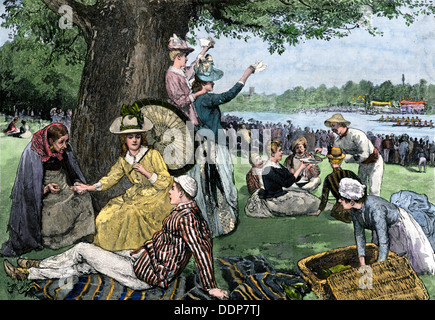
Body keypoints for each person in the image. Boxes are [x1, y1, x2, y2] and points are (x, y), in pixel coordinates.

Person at [3, 175, 229, 299]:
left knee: (83, 250)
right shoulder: (185, 212)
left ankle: (32, 270)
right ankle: (32, 270)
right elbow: (165, 242)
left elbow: (201, 251)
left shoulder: (188, 219)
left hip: (144, 275)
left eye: (172, 189)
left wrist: (211, 288)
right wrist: (140, 251)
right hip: (142, 261)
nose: (169, 192)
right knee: (86, 266)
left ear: (182, 193)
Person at [72, 104, 173, 251]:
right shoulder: (124, 159)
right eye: (130, 137)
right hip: (136, 195)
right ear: (124, 139)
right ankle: (110, 252)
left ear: (142, 138)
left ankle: (136, 252)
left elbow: (165, 181)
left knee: (132, 214)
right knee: (105, 216)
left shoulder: (152, 155)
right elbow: (111, 178)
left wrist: (146, 172)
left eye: (137, 136)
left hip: (157, 196)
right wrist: (90, 187)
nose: (134, 140)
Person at [188, 55, 265, 236]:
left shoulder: (196, 100)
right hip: (213, 146)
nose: (213, 83)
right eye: (211, 81)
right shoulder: (205, 99)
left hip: (202, 145)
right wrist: (247, 74)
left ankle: (208, 223)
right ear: (203, 83)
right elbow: (229, 95)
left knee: (208, 183)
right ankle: (218, 224)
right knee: (221, 181)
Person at [1, 123, 95, 257]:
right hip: (45, 195)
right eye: (61, 142)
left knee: (84, 199)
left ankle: (82, 235)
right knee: (53, 213)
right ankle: (52, 240)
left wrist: (77, 183)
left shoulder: (65, 150)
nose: (65, 145)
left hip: (64, 188)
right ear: (50, 141)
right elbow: (29, 188)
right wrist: (46, 188)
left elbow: (72, 171)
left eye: (66, 141)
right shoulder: (33, 153)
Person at [338, 178, 435, 275]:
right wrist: (362, 263)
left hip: (397, 225)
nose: (339, 201)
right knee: (380, 252)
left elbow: (384, 240)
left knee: (402, 258)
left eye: (342, 199)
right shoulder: (355, 211)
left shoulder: (376, 209)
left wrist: (379, 267)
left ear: (351, 202)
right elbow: (359, 236)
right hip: (379, 227)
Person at [245, 140, 321, 218]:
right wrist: (300, 168)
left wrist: (304, 168)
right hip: (276, 201)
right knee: (310, 203)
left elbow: (289, 177)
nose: (282, 152)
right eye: (280, 150)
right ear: (272, 154)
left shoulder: (277, 165)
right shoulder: (268, 169)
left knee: (310, 198)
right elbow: (287, 184)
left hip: (283, 195)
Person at [316, 113, 384, 196]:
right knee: (360, 188)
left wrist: (345, 157)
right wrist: (322, 151)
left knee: (374, 190)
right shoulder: (337, 141)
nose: (332, 129)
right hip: (363, 164)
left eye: (333, 125)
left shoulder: (357, 134)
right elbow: (335, 153)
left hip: (375, 162)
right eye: (331, 127)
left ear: (341, 124)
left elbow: (364, 155)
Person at [165, 34, 214, 125]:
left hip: (188, 114)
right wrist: (199, 93)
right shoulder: (172, 75)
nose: (187, 59)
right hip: (179, 116)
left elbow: (194, 66)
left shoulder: (181, 73)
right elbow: (180, 102)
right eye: (185, 56)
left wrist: (205, 49)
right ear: (178, 57)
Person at [308, 147, 360, 223]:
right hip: (355, 206)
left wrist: (319, 211)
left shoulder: (329, 178)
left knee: (336, 212)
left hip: (341, 209)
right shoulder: (350, 173)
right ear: (341, 161)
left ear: (330, 161)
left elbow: (324, 197)